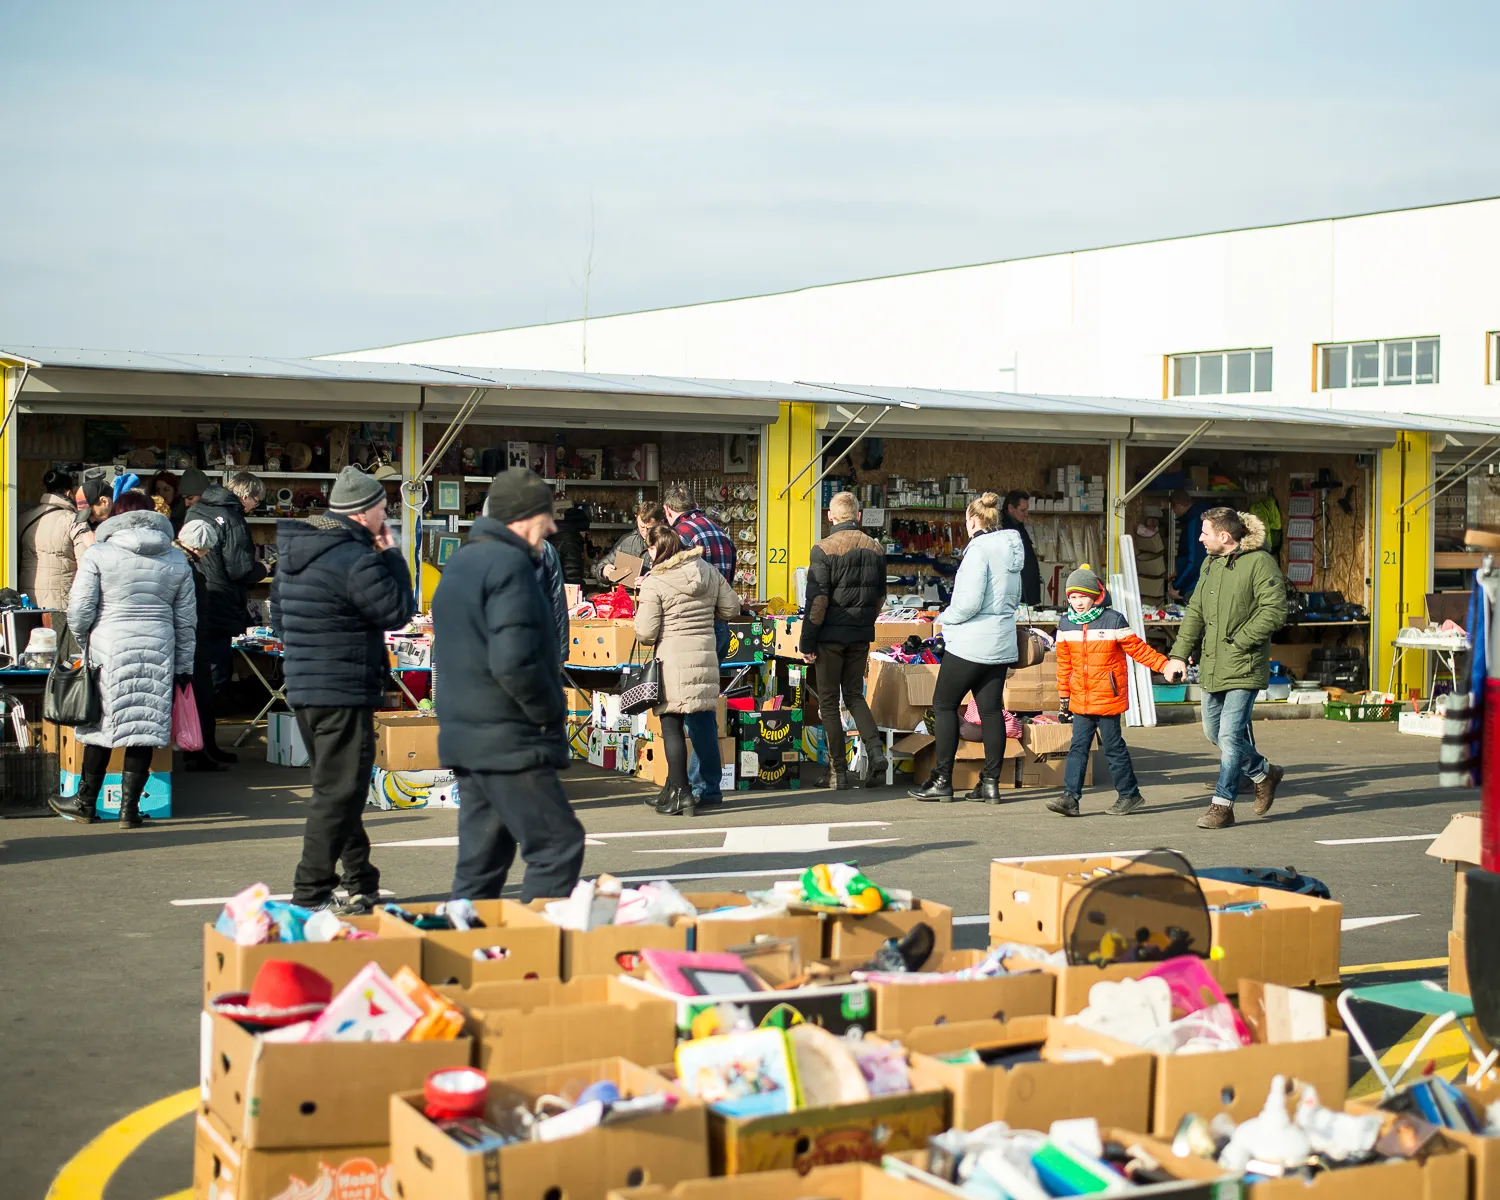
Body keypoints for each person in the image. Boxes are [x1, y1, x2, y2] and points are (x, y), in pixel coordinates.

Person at [433, 469, 584, 901]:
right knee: (557, 846)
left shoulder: (463, 560)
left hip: (469, 732)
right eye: (546, 516)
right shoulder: (509, 565)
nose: (553, 526)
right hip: (508, 733)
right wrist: (546, 714)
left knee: (481, 865)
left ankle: (466, 957)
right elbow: (515, 661)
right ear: (522, 517)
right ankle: (531, 956)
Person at [272, 467, 415, 913]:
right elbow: (397, 611)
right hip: (344, 687)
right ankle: (309, 892)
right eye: (384, 510)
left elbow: (279, 621)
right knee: (338, 792)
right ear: (366, 512)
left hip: (303, 686)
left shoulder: (295, 554)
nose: (386, 518)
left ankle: (361, 882)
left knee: (340, 787)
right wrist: (392, 555)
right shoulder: (358, 558)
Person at [49, 492, 195, 828]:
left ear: (117, 516)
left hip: (108, 648)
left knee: (101, 724)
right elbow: (186, 621)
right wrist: (184, 664)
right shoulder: (176, 560)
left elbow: (79, 610)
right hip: (159, 649)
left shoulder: (99, 554)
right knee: (142, 725)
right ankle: (129, 810)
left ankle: (85, 802)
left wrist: (87, 644)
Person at [1163, 507, 1287, 830]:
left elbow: (1274, 611)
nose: (1200, 538)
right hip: (1214, 664)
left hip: (1244, 664)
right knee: (1213, 732)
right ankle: (1264, 772)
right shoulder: (1210, 564)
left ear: (1224, 536)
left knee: (1231, 736)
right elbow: (1195, 612)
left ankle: (1223, 805)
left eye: (1204, 533)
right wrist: (1178, 654)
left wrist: (1240, 640)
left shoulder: (1260, 563)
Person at [909, 492, 1024, 803]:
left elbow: (969, 602)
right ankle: (990, 783)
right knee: (991, 711)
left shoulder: (978, 551)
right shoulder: (1011, 550)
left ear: (972, 522)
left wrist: (945, 617)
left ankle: (943, 779)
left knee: (944, 705)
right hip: (1001, 642)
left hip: (972, 642)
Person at [634, 524, 740, 817]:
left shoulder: (656, 581)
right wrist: (707, 617)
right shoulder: (706, 569)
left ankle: (682, 792)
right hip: (704, 656)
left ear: (656, 550)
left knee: (671, 726)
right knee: (704, 721)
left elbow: (645, 632)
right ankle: (706, 789)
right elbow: (732, 608)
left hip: (672, 661)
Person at [1048, 565, 1169, 817]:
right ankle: (1070, 798)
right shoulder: (1065, 623)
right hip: (1080, 699)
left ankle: (1129, 795)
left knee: (1113, 748)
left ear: (1096, 595)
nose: (1078, 602)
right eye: (1072, 597)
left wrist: (1165, 665)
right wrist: (1063, 696)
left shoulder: (1113, 620)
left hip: (1108, 697)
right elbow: (1064, 665)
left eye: (1082, 596)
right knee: (1077, 748)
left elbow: (1139, 650)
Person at [799, 491, 888, 789]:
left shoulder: (822, 549)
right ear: (858, 516)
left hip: (830, 638)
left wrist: (806, 643)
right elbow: (880, 596)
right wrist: (866, 623)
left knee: (827, 702)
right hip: (860, 636)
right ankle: (876, 752)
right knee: (854, 695)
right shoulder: (875, 548)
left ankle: (839, 772)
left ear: (830, 516)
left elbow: (817, 601)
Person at [185, 470, 265, 760]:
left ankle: (198, 746)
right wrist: (263, 569)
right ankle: (203, 751)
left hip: (194, 602)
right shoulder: (233, 519)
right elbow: (239, 569)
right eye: (256, 501)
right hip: (219, 606)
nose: (255, 506)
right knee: (214, 678)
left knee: (197, 678)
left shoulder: (197, 508)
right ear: (245, 496)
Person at [174, 519, 227, 773]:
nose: (208, 554)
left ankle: (199, 749)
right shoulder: (187, 569)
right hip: (192, 640)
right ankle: (199, 751)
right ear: (198, 546)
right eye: (207, 548)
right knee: (200, 695)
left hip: (183, 639)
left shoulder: (174, 560)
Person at [18, 469, 89, 611]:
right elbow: (86, 565)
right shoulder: (74, 520)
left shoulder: (24, 519)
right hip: (60, 604)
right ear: (69, 493)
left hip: (25, 603)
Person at [1168, 489, 1213, 601]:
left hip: (1194, 586)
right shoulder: (1203, 517)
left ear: (1178, 505)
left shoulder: (1195, 522)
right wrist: (1179, 572)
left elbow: (1195, 561)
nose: (1174, 512)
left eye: (1173, 509)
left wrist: (1178, 586)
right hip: (1204, 582)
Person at [1001, 490, 1042, 607]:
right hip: (1018, 593)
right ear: (1010, 508)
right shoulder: (1005, 530)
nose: (1026, 514)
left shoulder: (1018, 526)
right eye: (1023, 510)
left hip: (1025, 591)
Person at [602, 503, 664, 581]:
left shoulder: (669, 543)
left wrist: (648, 582)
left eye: (650, 528)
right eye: (642, 526)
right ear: (636, 518)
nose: (645, 532)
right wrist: (603, 571)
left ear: (661, 523)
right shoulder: (627, 541)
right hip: (630, 592)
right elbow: (602, 564)